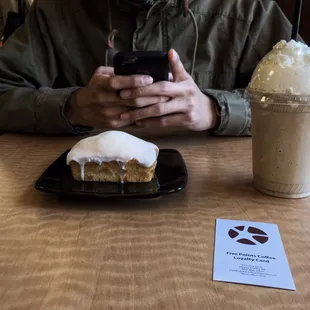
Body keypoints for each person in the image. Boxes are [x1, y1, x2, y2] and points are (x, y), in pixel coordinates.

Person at [0, 0, 292, 136]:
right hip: (76, 200)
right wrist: (72, 107)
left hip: (216, 197)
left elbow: (302, 99)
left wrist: (215, 111)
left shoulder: (249, 9)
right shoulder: (55, 10)